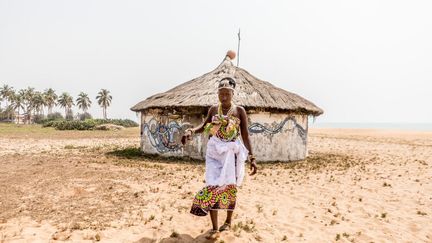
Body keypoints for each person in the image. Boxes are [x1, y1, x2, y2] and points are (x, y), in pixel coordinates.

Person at [181, 77, 258, 238]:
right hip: (214, 152)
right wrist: (191, 131)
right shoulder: (213, 110)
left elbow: (245, 134)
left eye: (227, 94)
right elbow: (204, 126)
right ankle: (215, 227)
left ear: (232, 94)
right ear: (217, 94)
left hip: (231, 153)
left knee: (230, 186)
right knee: (212, 185)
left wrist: (252, 156)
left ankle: (228, 222)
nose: (223, 97)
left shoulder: (239, 111)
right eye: (221, 94)